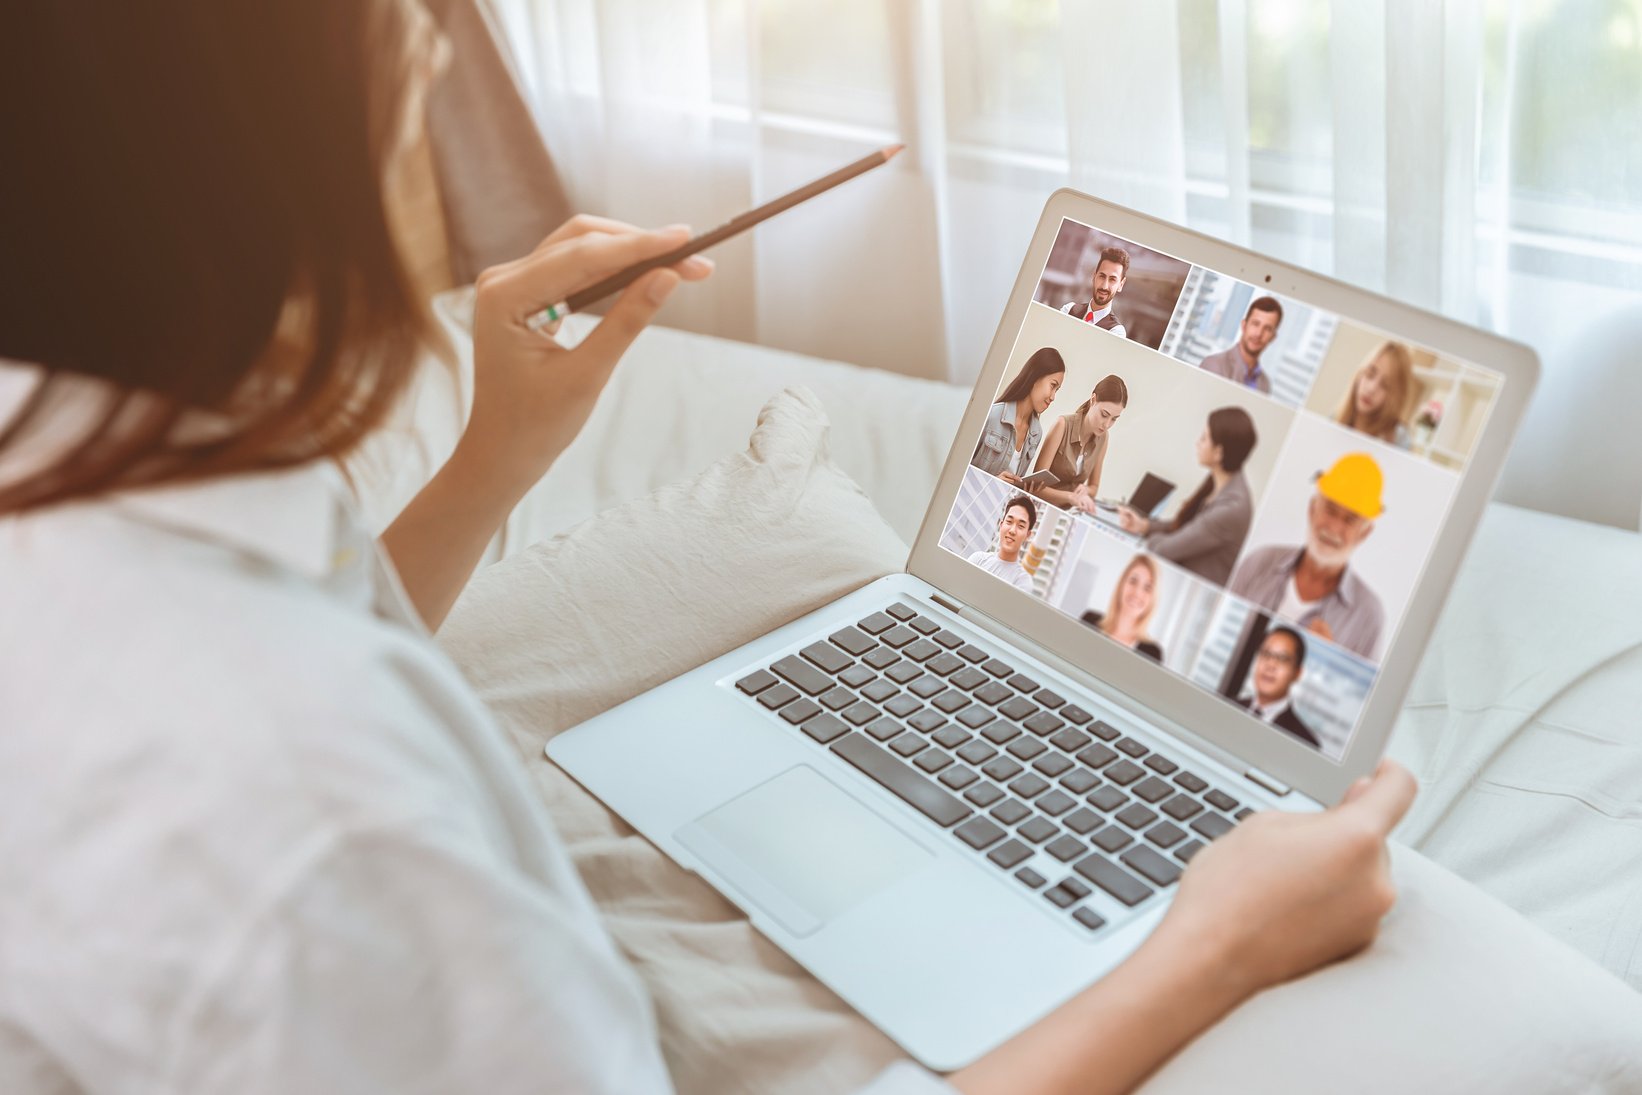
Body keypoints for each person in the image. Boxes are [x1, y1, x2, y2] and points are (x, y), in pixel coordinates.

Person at [0, 6, 1418, 1093]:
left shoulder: (83, 475)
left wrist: (502, 452)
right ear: (262, 158)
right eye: (402, 30)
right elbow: (298, 719)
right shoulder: (333, 819)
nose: (433, 59)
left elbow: (294, 618)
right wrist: (1215, 941)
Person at [1228, 454, 1388, 661]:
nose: (1334, 528)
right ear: (1312, 509)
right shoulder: (1258, 562)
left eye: (1350, 520)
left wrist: (1323, 662)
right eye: (1330, 510)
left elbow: (1360, 693)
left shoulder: (1368, 616)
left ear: (1364, 534)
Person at [1118, 407, 1258, 587]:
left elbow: (1164, 549)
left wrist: (1152, 539)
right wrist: (1143, 526)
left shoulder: (1231, 508)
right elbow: (1187, 527)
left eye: (1204, 438)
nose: (1197, 443)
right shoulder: (1222, 483)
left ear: (1219, 452)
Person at [1030, 374, 1128, 512]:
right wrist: (1070, 497)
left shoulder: (1103, 438)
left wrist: (1086, 490)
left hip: (1071, 511)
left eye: (1114, 419)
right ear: (1093, 400)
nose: (1107, 424)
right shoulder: (1062, 425)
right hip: (1040, 508)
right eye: (1104, 415)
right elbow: (1035, 486)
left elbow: (1094, 487)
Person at [971, 346, 1064, 485]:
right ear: (1035, 377)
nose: (1053, 397)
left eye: (1057, 390)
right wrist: (991, 482)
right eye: (1052, 386)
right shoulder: (991, 416)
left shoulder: (1036, 434)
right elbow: (957, 468)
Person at [1233, 626, 1321, 748]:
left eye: (1283, 659)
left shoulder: (1305, 742)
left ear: (1297, 673)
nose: (1271, 664)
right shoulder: (1229, 705)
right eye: (1266, 654)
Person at [1080, 554, 1165, 662]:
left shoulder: (1153, 653)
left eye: (1147, 588)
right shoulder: (1089, 621)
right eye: (1133, 581)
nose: (1137, 593)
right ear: (1122, 584)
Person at [1336, 341, 1415, 449]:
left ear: (1395, 397)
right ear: (1360, 374)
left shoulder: (1399, 438)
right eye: (1370, 374)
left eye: (1385, 385)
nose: (1371, 388)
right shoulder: (1335, 420)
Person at [1198, 296, 1283, 394]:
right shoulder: (1214, 365)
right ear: (1244, 325)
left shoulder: (1265, 384)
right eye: (1255, 324)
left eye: (1267, 329)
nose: (1259, 333)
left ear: (1273, 337)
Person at [967, 494, 1038, 592]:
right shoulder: (978, 559)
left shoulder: (1022, 582)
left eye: (1021, 526)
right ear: (1001, 525)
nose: (1012, 530)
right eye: (1009, 521)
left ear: (1027, 535)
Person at [1058, 246, 1130, 337]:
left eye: (1112, 279)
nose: (1104, 286)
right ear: (1094, 277)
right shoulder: (1069, 309)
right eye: (1102, 276)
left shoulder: (1116, 332)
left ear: (1121, 285)